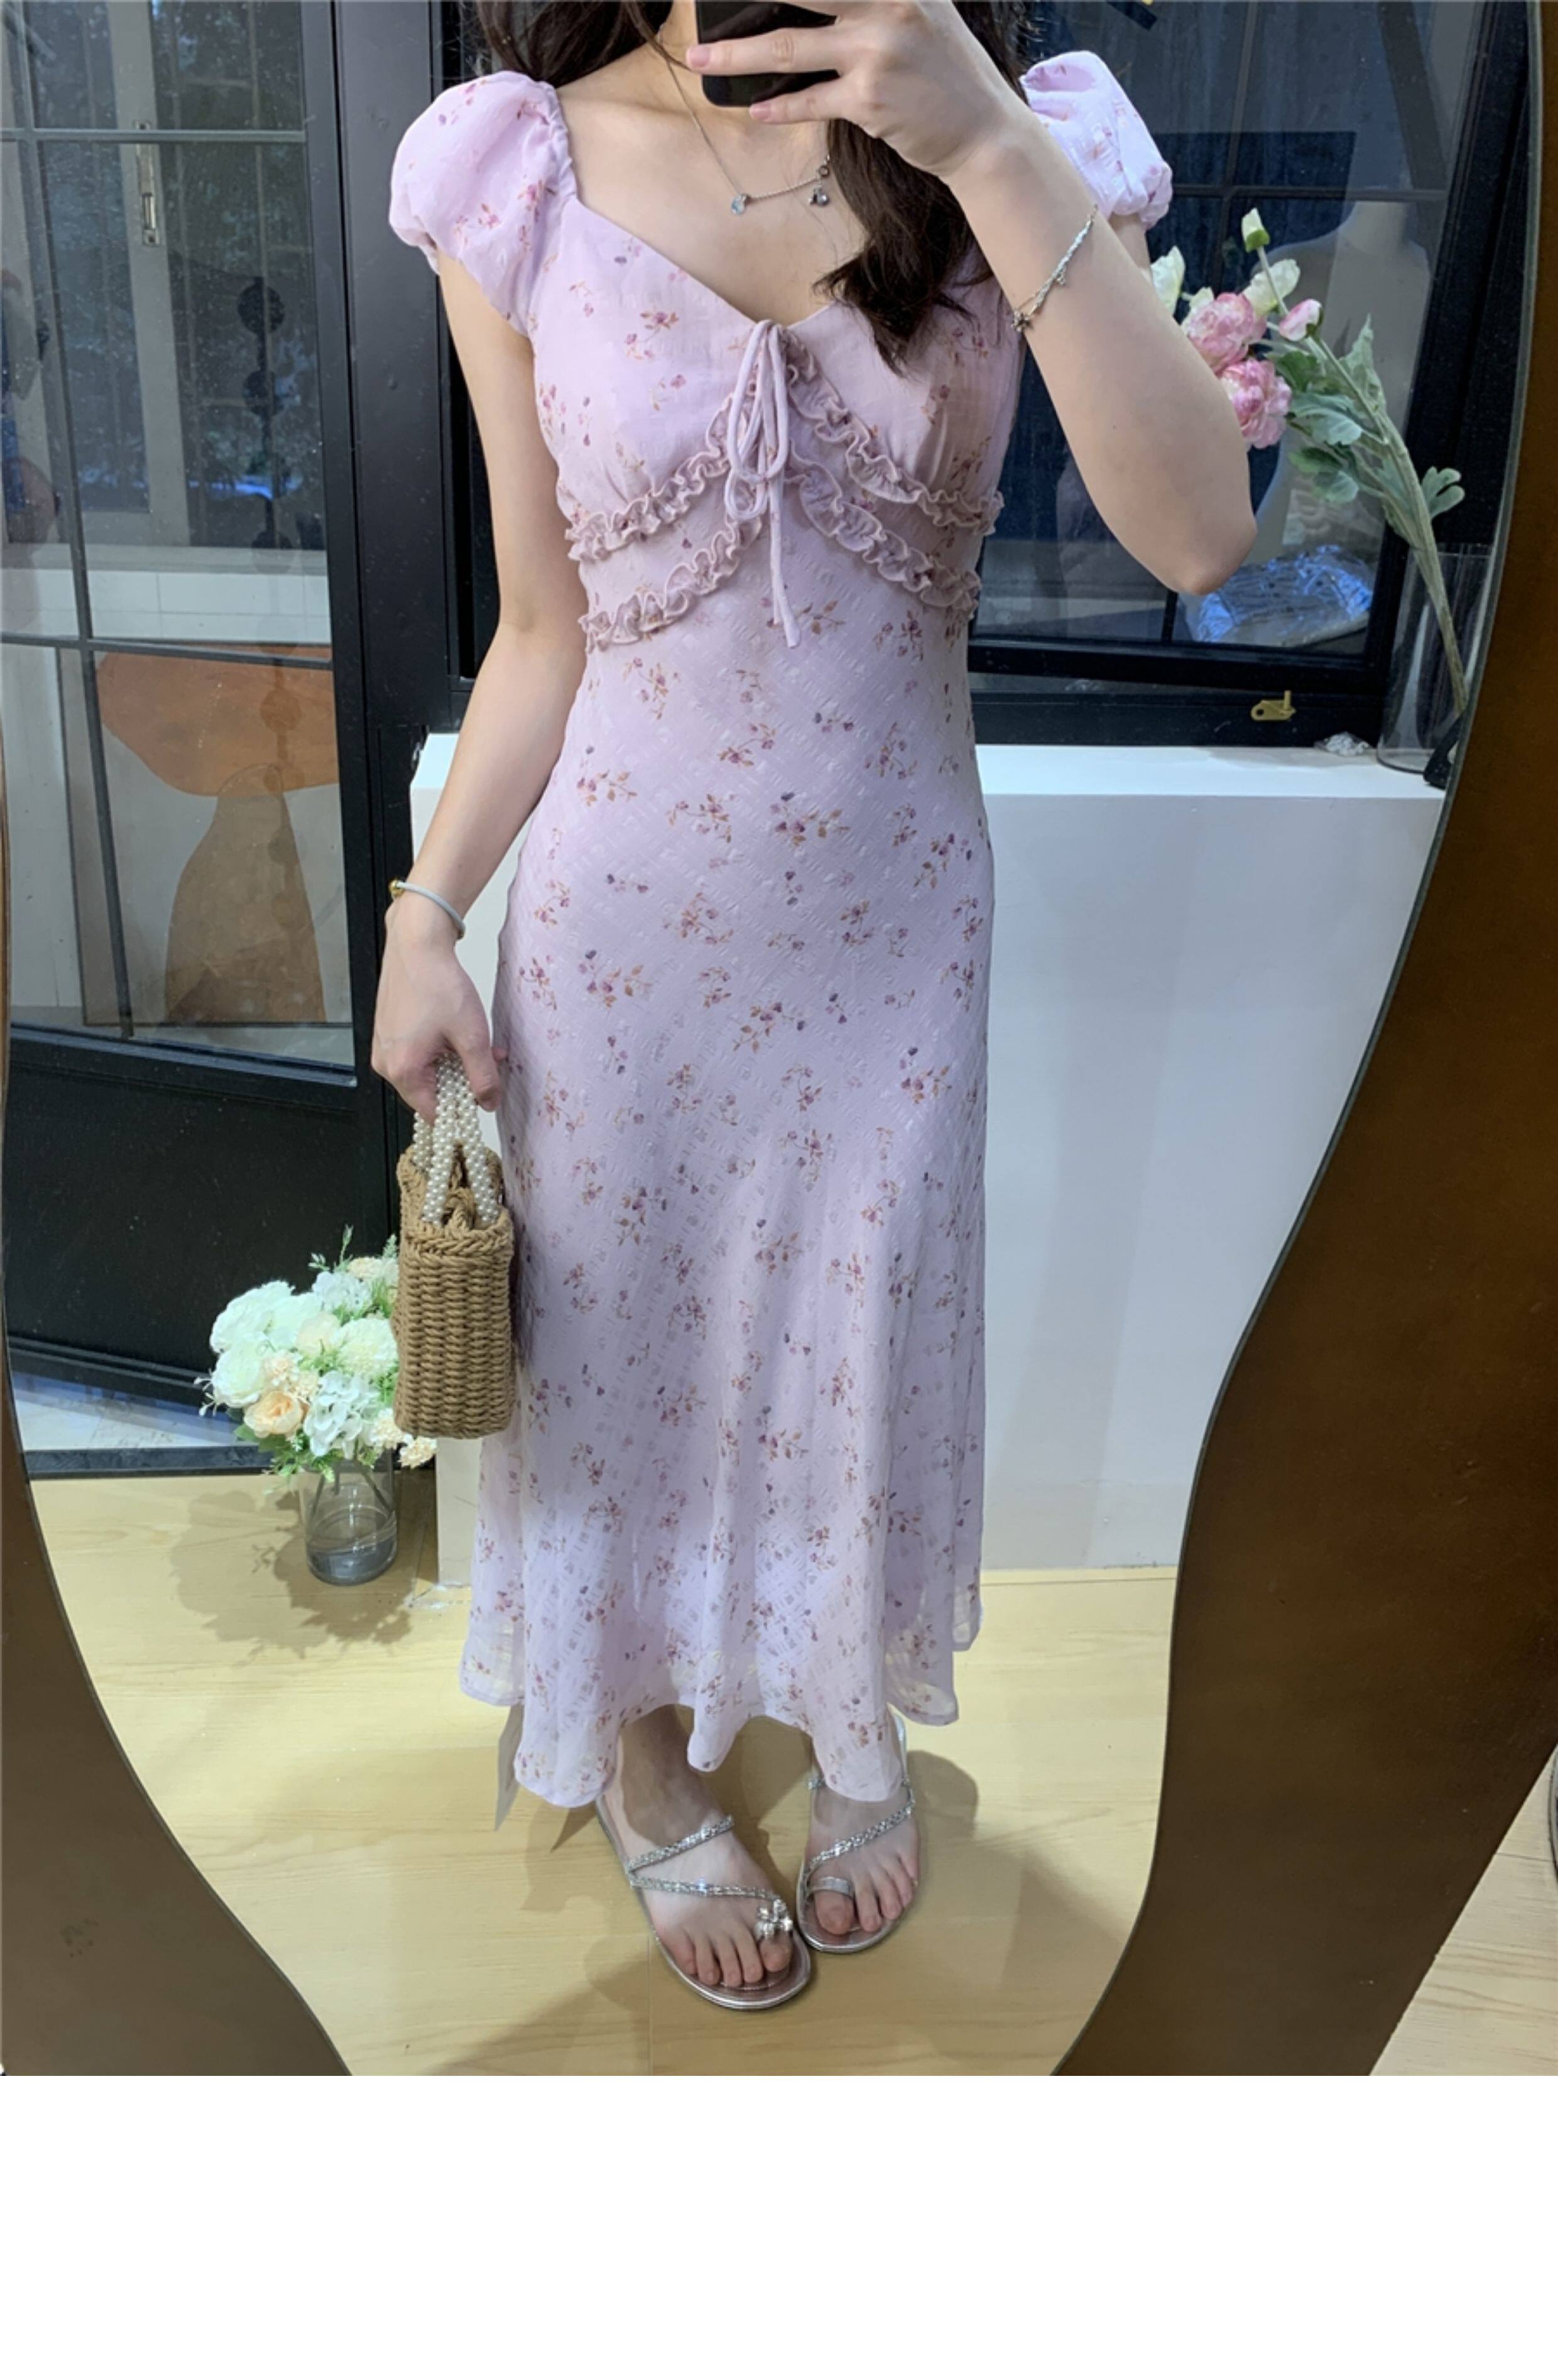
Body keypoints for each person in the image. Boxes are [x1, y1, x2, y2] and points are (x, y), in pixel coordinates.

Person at [379, 0, 1253, 2008]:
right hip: (618, 941)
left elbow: (1204, 530)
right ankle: (641, 1752)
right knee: (616, 1361)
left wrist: (985, 142)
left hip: (890, 937)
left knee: (857, 1342)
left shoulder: (1020, 131)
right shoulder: (519, 168)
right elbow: (542, 626)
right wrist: (429, 906)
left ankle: (849, 1709)